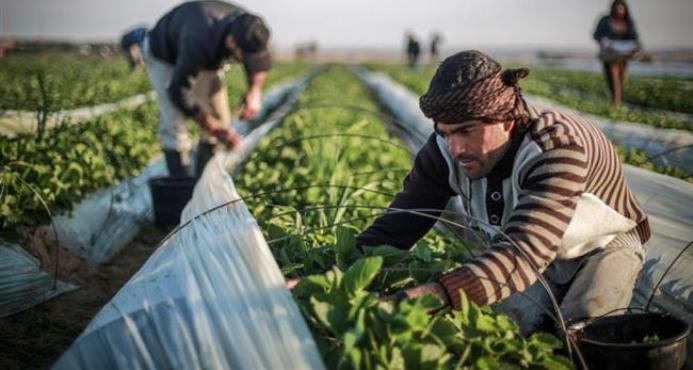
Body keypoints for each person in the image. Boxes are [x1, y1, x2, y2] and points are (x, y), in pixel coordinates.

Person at [357, 50, 650, 336]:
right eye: (445, 133)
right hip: (528, 246)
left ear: (506, 120)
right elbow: (400, 224)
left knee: (583, 333)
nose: (455, 148)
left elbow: (523, 253)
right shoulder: (443, 152)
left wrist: (432, 296)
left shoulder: (554, 149)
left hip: (602, 245)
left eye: (466, 131)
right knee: (508, 327)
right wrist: (339, 267)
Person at [142, 0, 272, 178]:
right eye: (245, 57)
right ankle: (182, 183)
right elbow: (178, 90)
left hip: (207, 55)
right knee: (174, 122)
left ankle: (206, 179)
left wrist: (254, 92)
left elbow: (257, 65)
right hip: (165, 55)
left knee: (221, 118)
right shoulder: (198, 40)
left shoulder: (251, 28)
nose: (248, 62)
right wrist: (214, 127)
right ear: (231, 42)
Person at [593, 0, 641, 106]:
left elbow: (634, 37)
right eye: (617, 8)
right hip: (610, 54)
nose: (619, 11)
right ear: (613, 9)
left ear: (625, 10)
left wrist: (637, 49)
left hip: (624, 55)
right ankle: (616, 102)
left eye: (621, 9)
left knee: (621, 78)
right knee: (613, 78)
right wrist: (604, 41)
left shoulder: (628, 21)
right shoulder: (605, 20)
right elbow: (596, 35)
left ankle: (618, 101)